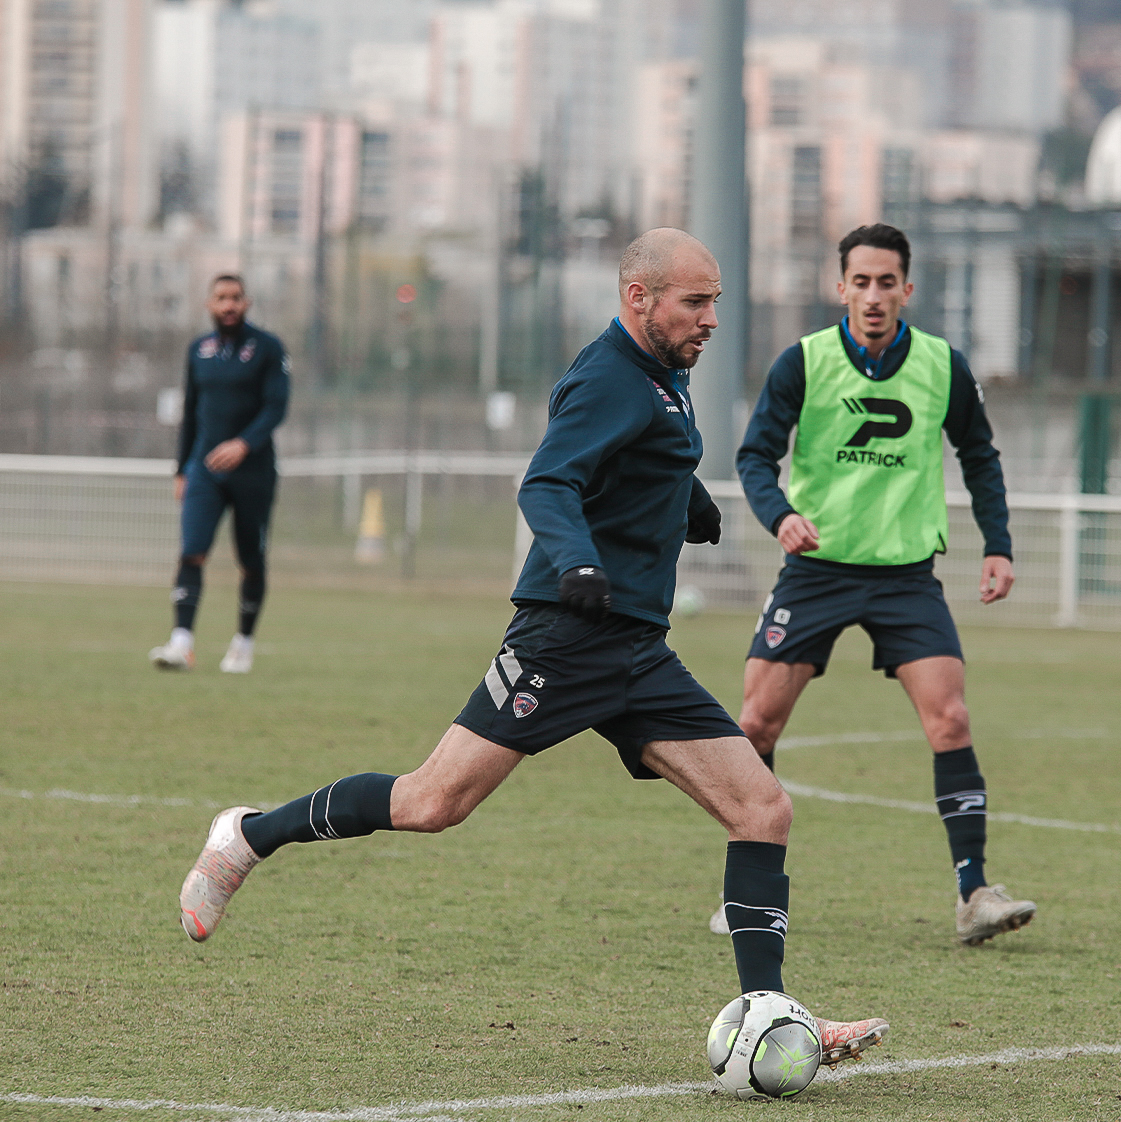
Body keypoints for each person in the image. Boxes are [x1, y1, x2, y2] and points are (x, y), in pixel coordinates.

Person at [177, 229, 889, 1066]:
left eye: (715, 302)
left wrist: (682, 497)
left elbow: (633, 452)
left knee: (763, 808)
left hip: (636, 651)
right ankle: (249, 835)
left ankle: (769, 1012)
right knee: (432, 803)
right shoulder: (607, 377)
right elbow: (549, 481)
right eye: (695, 302)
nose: (710, 319)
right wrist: (580, 560)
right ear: (640, 298)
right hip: (567, 634)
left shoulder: (663, 377)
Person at [731, 222, 1033, 947]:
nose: (873, 295)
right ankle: (744, 891)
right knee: (754, 725)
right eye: (860, 282)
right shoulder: (802, 362)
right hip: (816, 571)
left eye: (886, 282)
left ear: (907, 288)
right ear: (840, 287)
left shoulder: (941, 365)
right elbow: (753, 456)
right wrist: (781, 517)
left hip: (905, 577)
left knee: (951, 720)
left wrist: (998, 546)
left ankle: (974, 895)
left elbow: (980, 457)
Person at [149, 275, 290, 674]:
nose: (228, 305)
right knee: (192, 550)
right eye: (221, 298)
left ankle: (243, 643)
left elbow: (276, 407)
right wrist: (181, 470)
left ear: (247, 302)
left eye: (235, 298)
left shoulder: (267, 348)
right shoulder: (199, 350)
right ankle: (181, 643)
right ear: (209, 304)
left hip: (253, 472)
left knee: (250, 559)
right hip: (204, 472)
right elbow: (191, 413)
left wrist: (244, 444)